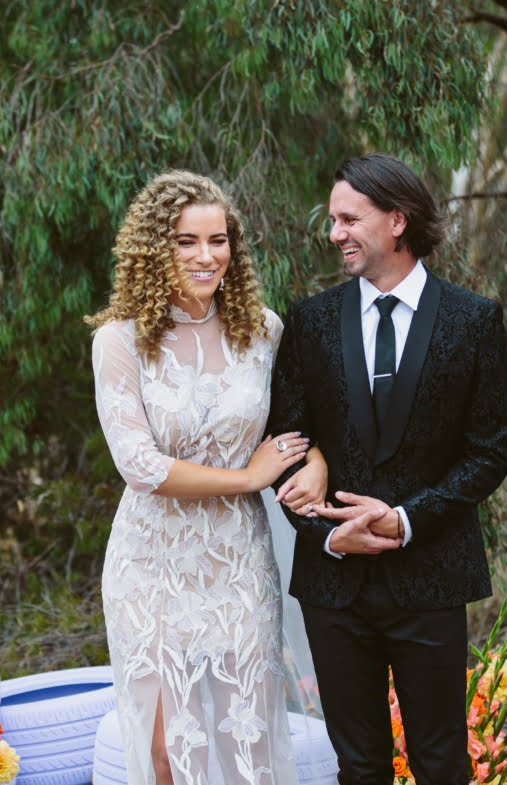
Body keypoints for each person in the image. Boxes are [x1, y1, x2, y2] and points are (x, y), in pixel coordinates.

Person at [268, 153, 507, 785]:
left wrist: (404, 520)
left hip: (431, 577)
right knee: (359, 768)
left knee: (441, 764)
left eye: (349, 219)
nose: (335, 234)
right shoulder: (309, 321)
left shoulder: (474, 320)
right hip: (333, 586)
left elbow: (488, 454)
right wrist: (328, 536)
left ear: (398, 220)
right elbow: (285, 444)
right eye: (333, 220)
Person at [87, 170, 327, 785]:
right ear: (153, 248)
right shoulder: (118, 341)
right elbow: (139, 464)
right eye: (186, 241)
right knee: (169, 753)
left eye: (218, 240)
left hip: (238, 563)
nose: (205, 256)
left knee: (246, 741)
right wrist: (247, 479)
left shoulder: (265, 331)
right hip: (152, 566)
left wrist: (317, 461)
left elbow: (307, 423)